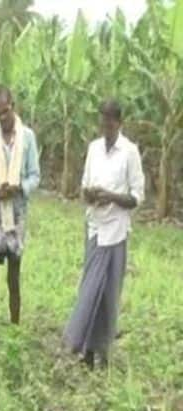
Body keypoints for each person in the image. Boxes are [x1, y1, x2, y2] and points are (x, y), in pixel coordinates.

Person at [63, 99, 145, 369]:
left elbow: (136, 197)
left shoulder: (129, 152)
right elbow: (84, 186)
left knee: (108, 294)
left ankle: (103, 350)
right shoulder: (94, 149)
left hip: (116, 231)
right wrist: (90, 194)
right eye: (102, 122)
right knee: (91, 287)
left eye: (110, 123)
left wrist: (110, 196)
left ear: (119, 123)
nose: (105, 128)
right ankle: (85, 349)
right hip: (95, 227)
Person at [0, 85, 40, 342]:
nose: (2, 118)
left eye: (5, 112)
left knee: (14, 275)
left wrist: (19, 188)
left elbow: (35, 176)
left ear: (13, 107)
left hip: (16, 214)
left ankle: (14, 329)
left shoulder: (27, 138)